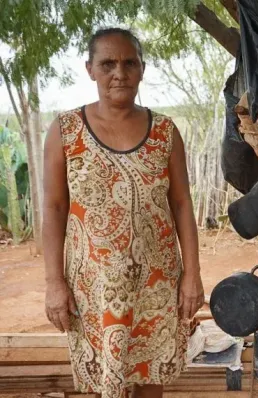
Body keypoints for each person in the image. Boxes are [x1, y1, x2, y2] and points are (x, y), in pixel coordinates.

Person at [42, 27, 205, 398]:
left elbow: (182, 204)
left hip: (156, 282)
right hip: (94, 286)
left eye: (129, 62)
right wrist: (54, 283)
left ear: (142, 69)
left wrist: (192, 276)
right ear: (90, 69)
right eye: (108, 63)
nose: (120, 72)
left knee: (150, 380)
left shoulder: (165, 131)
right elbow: (53, 208)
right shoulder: (66, 131)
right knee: (104, 382)